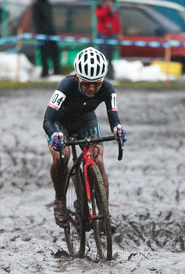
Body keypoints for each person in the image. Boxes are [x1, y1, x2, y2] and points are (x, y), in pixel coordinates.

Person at [43, 47, 126, 228]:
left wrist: (118, 129)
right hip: (60, 123)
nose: (91, 88)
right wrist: (54, 135)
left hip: (85, 121)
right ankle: (59, 200)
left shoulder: (108, 88)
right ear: (77, 78)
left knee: (98, 160)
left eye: (96, 84)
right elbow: (48, 119)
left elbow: (114, 119)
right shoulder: (65, 86)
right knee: (61, 156)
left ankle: (104, 214)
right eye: (87, 83)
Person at [32, 0, 60, 78]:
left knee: (54, 51)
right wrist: (42, 31)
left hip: (50, 32)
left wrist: (51, 30)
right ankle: (45, 71)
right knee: (44, 52)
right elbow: (38, 20)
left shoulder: (47, 4)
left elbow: (49, 19)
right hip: (43, 33)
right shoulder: (37, 5)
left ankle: (56, 70)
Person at [95, 0, 122, 79]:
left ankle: (110, 72)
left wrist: (119, 32)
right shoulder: (100, 6)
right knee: (103, 54)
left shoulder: (114, 8)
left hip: (112, 34)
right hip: (103, 33)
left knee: (111, 55)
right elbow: (100, 16)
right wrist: (107, 7)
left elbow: (116, 21)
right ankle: (101, 72)